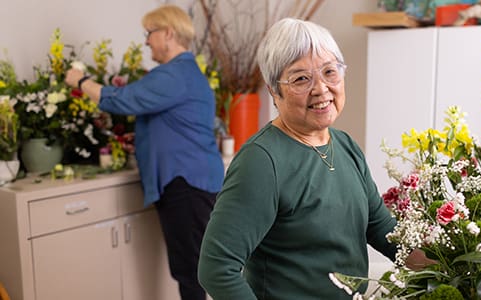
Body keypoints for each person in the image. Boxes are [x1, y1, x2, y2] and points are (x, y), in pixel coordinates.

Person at [197, 18, 431, 299]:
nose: (321, 88)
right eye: (300, 79)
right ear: (274, 90)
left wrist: (450, 264)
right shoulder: (261, 162)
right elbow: (216, 268)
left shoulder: (345, 145)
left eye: (329, 72)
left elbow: (380, 227)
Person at [65, 5, 224, 300]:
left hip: (186, 184)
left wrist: (81, 81)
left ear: (168, 33)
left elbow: (122, 100)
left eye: (149, 33)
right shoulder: (185, 74)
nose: (146, 41)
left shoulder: (173, 75)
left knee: (191, 274)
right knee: (194, 270)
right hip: (193, 182)